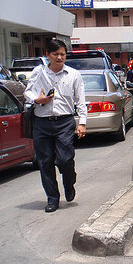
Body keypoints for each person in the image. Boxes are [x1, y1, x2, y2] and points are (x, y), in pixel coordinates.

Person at [24, 39, 87, 213]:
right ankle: (52, 198)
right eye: (55, 54)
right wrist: (38, 99)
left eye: (62, 54)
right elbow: (28, 92)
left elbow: (80, 100)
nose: (59, 57)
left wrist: (82, 123)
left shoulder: (73, 74)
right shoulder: (39, 72)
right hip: (41, 122)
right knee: (45, 163)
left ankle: (69, 183)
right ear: (47, 55)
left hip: (64, 122)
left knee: (65, 159)